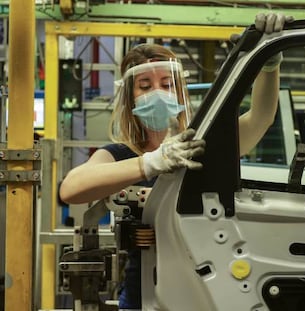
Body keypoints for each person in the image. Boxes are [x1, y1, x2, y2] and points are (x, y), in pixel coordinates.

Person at [59, 12, 292, 309]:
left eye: (167, 84)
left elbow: (260, 117)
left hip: (210, 286)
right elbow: (71, 188)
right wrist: (150, 162)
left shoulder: (203, 145)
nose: (157, 93)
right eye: (144, 86)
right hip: (145, 292)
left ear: (180, 91)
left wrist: (268, 64)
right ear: (131, 99)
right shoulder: (119, 155)